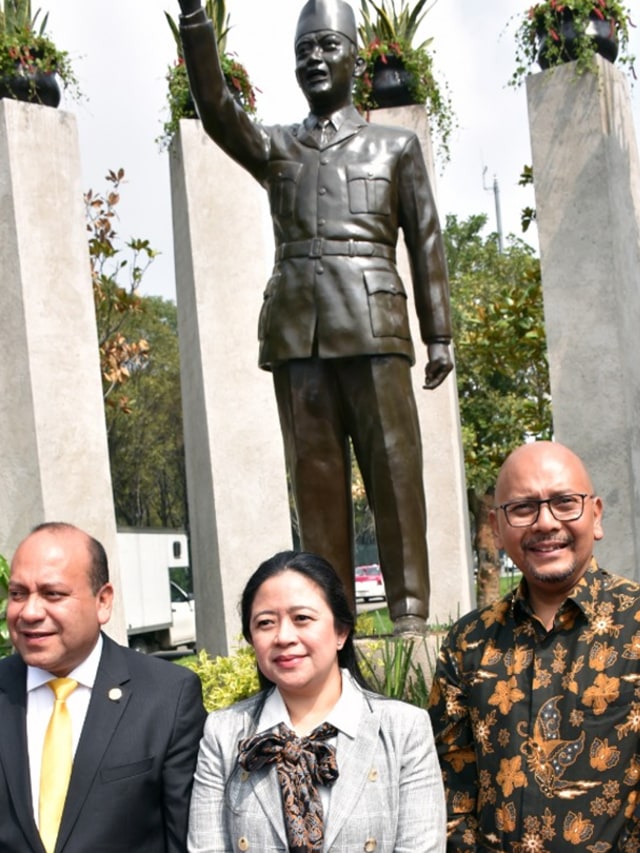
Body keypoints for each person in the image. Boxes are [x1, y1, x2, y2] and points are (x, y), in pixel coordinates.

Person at [176, 0, 454, 635]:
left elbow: (428, 241)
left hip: (376, 327)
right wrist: (196, 19)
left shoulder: (395, 145)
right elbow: (217, 108)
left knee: (394, 470)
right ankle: (336, 621)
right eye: (305, 51)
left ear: (355, 57)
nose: (315, 60)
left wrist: (438, 333)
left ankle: (410, 611)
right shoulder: (278, 149)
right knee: (317, 483)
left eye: (328, 46)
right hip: (299, 336)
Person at [428, 440, 640, 852]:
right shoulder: (468, 643)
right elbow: (448, 786)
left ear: (595, 516)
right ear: (496, 525)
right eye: (523, 508)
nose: (545, 522)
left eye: (564, 502)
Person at [187, 550, 446, 852]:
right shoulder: (224, 733)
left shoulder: (404, 729)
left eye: (302, 619)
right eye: (265, 623)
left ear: (341, 631)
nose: (284, 636)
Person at [0, 521, 207, 853]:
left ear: (103, 601)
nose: (30, 612)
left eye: (52, 594)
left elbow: (184, 839)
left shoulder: (167, 697)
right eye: (17, 594)